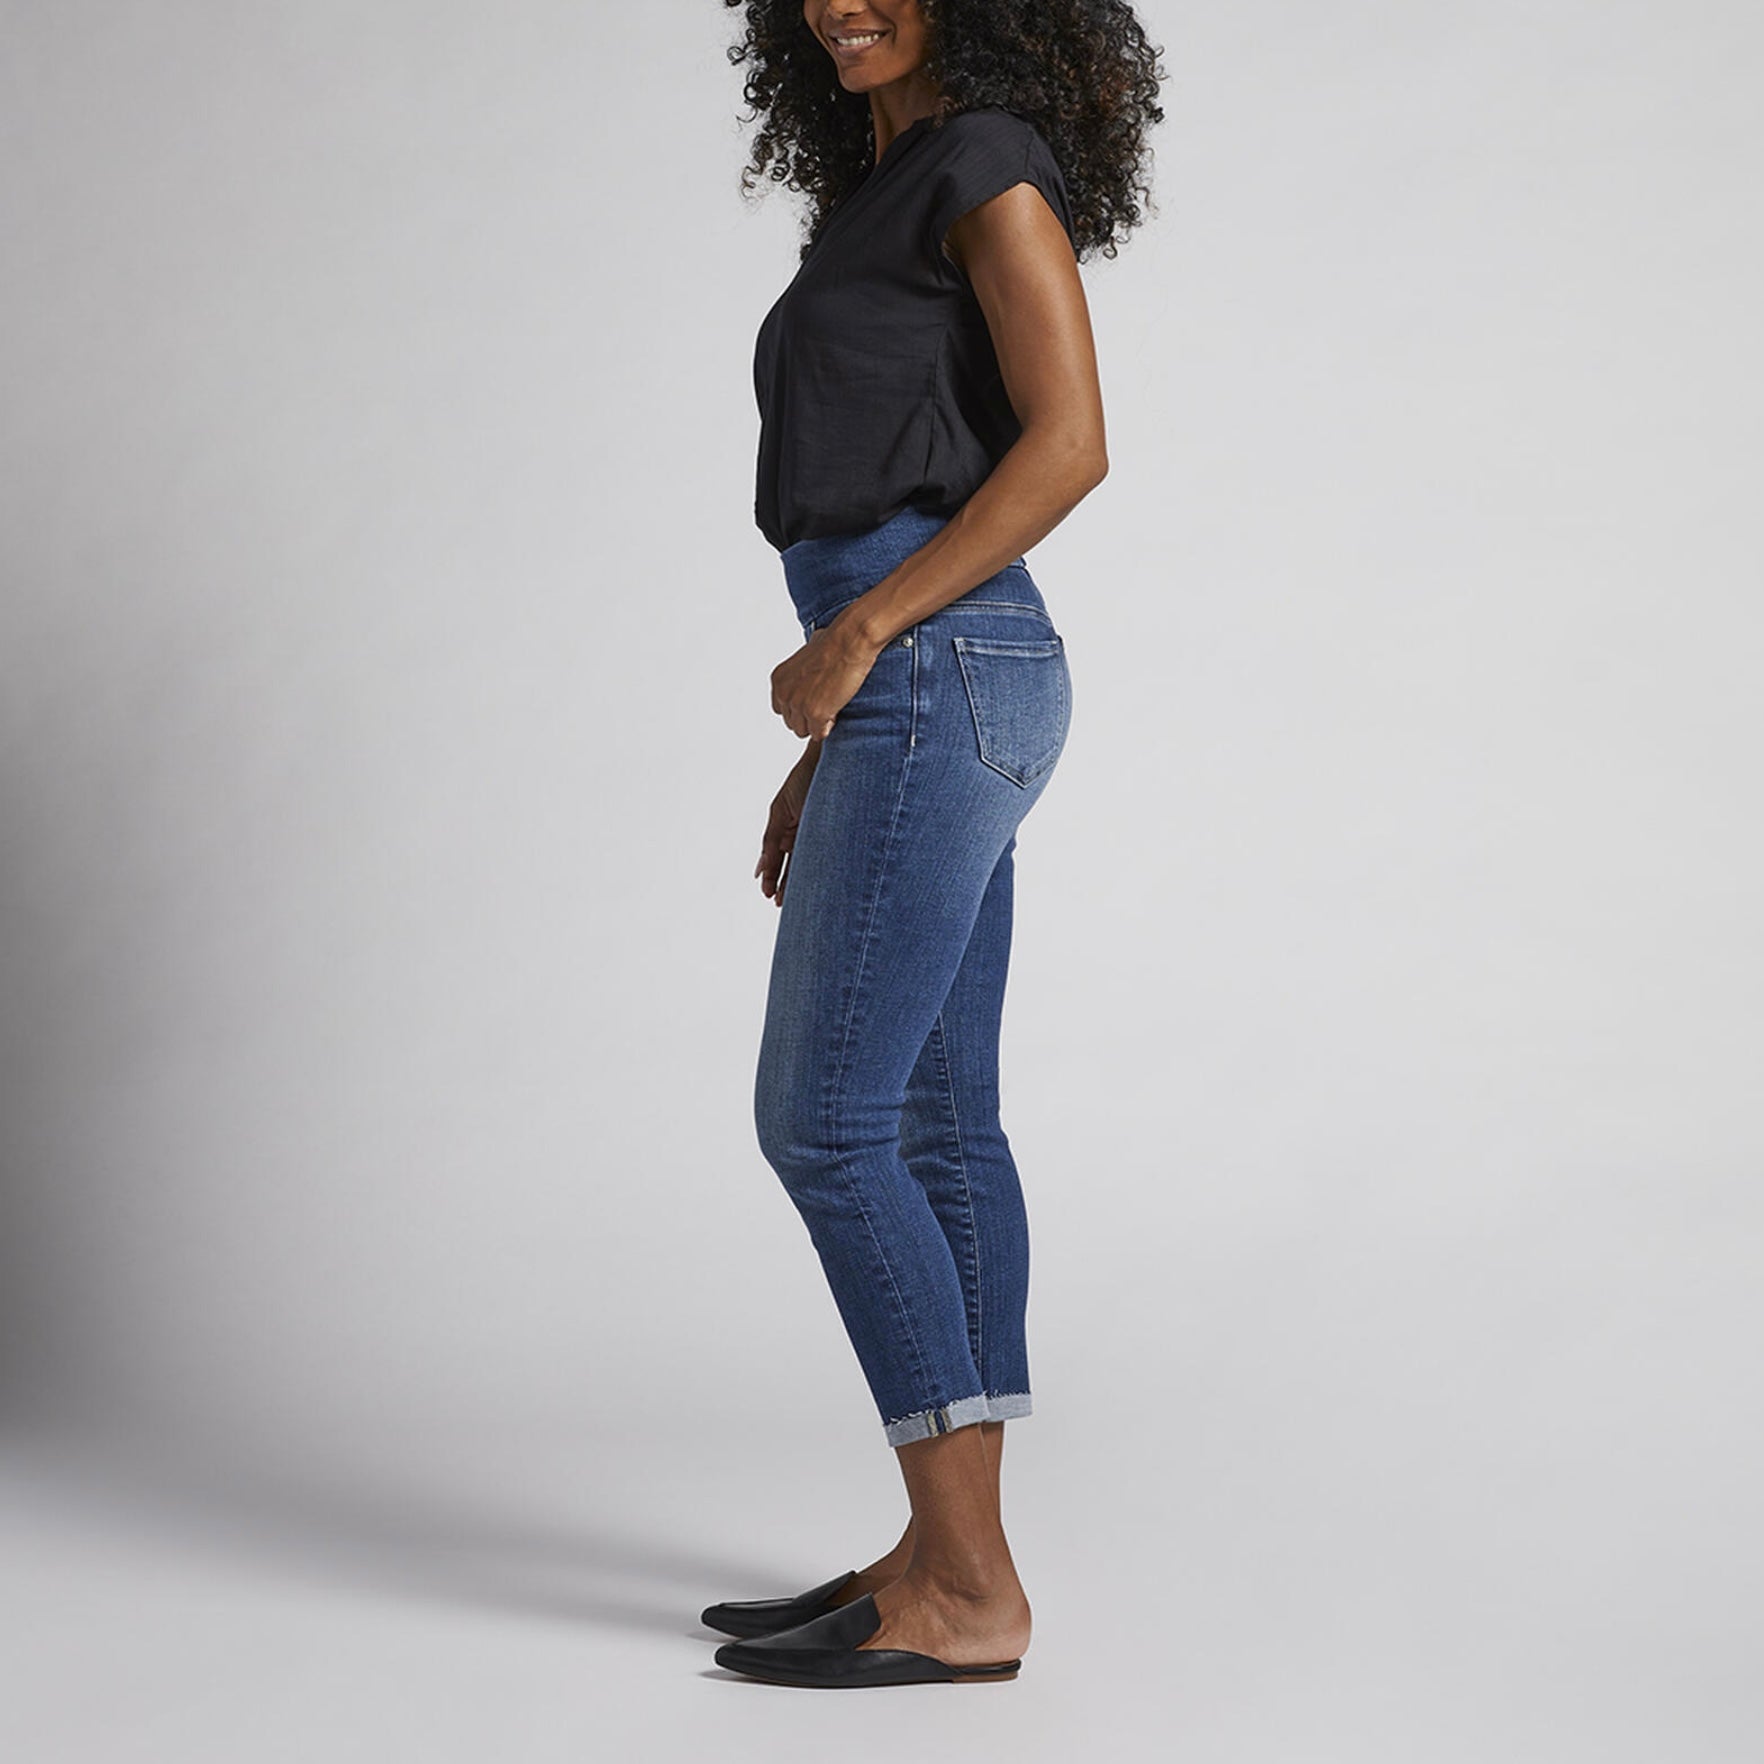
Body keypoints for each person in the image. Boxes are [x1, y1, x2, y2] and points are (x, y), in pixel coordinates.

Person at [704, 0, 1163, 1689]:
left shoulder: (984, 162)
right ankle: (941, 1552)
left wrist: (863, 637)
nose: (836, 2)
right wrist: (845, 717)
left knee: (827, 1127)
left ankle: (971, 1590)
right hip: (930, 677)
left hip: (941, 651)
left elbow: (1072, 443)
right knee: (934, 1121)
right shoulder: (883, 182)